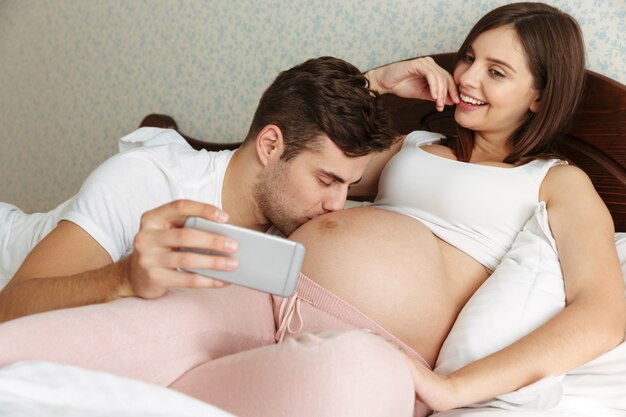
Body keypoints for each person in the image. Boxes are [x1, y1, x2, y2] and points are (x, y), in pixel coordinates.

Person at [1, 3, 623, 417]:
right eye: (468, 58)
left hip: (364, 350)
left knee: (355, 376)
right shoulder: (415, 145)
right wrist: (377, 83)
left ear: (541, 97)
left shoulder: (557, 184)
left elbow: (604, 314)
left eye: (497, 71)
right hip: (250, 298)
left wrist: (453, 387)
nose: (468, 78)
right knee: (26, 350)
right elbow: (319, 142)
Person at [0, 56, 396, 322]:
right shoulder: (147, 180)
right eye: (326, 180)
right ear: (270, 145)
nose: (337, 205)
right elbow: (11, 307)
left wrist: (379, 83)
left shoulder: (288, 227)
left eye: (349, 186)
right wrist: (123, 278)